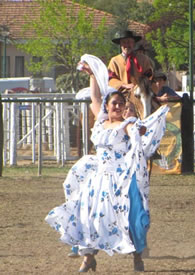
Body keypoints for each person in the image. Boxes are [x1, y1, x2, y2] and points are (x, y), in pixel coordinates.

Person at [46, 58, 169, 272]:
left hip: (120, 179)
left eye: (121, 104)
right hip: (99, 178)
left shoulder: (127, 124)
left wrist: (138, 129)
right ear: (108, 106)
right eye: (115, 103)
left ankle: (137, 256)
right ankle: (89, 257)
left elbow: (136, 130)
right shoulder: (101, 120)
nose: (119, 106)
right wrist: (93, 75)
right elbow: (94, 97)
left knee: (128, 217)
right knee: (90, 217)